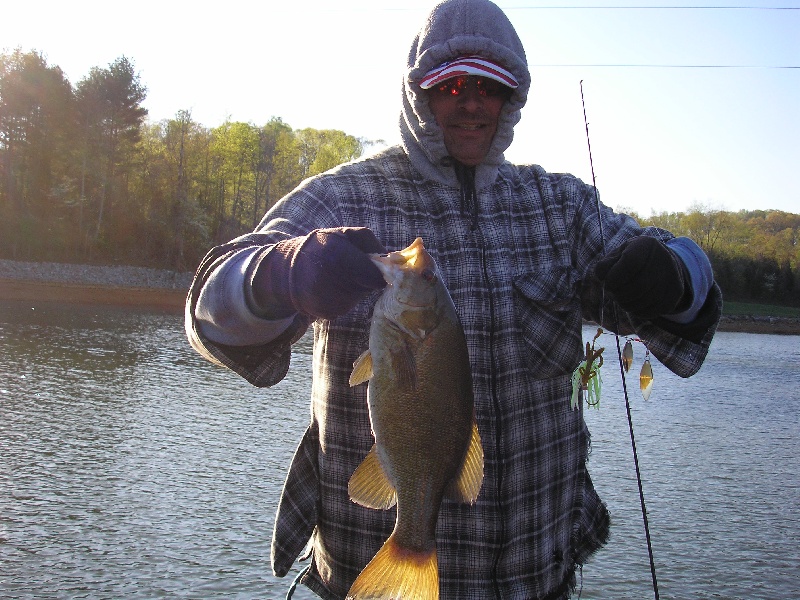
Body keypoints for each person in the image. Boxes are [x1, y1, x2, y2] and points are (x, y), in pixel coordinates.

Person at [185, 0, 721, 598]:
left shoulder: (560, 208)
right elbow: (209, 310)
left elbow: (692, 288)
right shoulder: (342, 198)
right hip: (368, 573)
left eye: (491, 87)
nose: (472, 102)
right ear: (418, 94)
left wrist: (674, 278)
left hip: (535, 576)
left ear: (511, 99)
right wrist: (278, 273)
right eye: (451, 84)